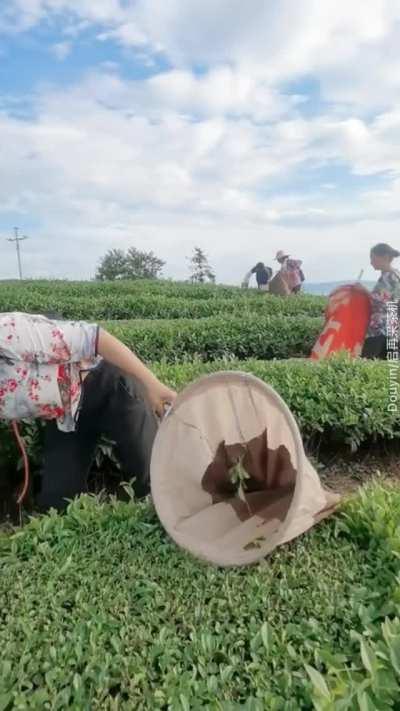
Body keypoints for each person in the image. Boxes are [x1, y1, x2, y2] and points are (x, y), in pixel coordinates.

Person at [0, 312, 176, 511]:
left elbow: (96, 338)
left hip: (108, 385)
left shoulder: (8, 333)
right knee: (58, 503)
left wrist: (153, 386)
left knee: (152, 477)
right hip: (66, 416)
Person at [362, 243, 400, 359]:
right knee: (390, 367)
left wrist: (361, 290)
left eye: (373, 258)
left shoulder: (388, 277)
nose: (371, 262)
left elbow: (380, 301)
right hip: (393, 328)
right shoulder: (396, 274)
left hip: (380, 328)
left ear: (385, 257)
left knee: (367, 365)